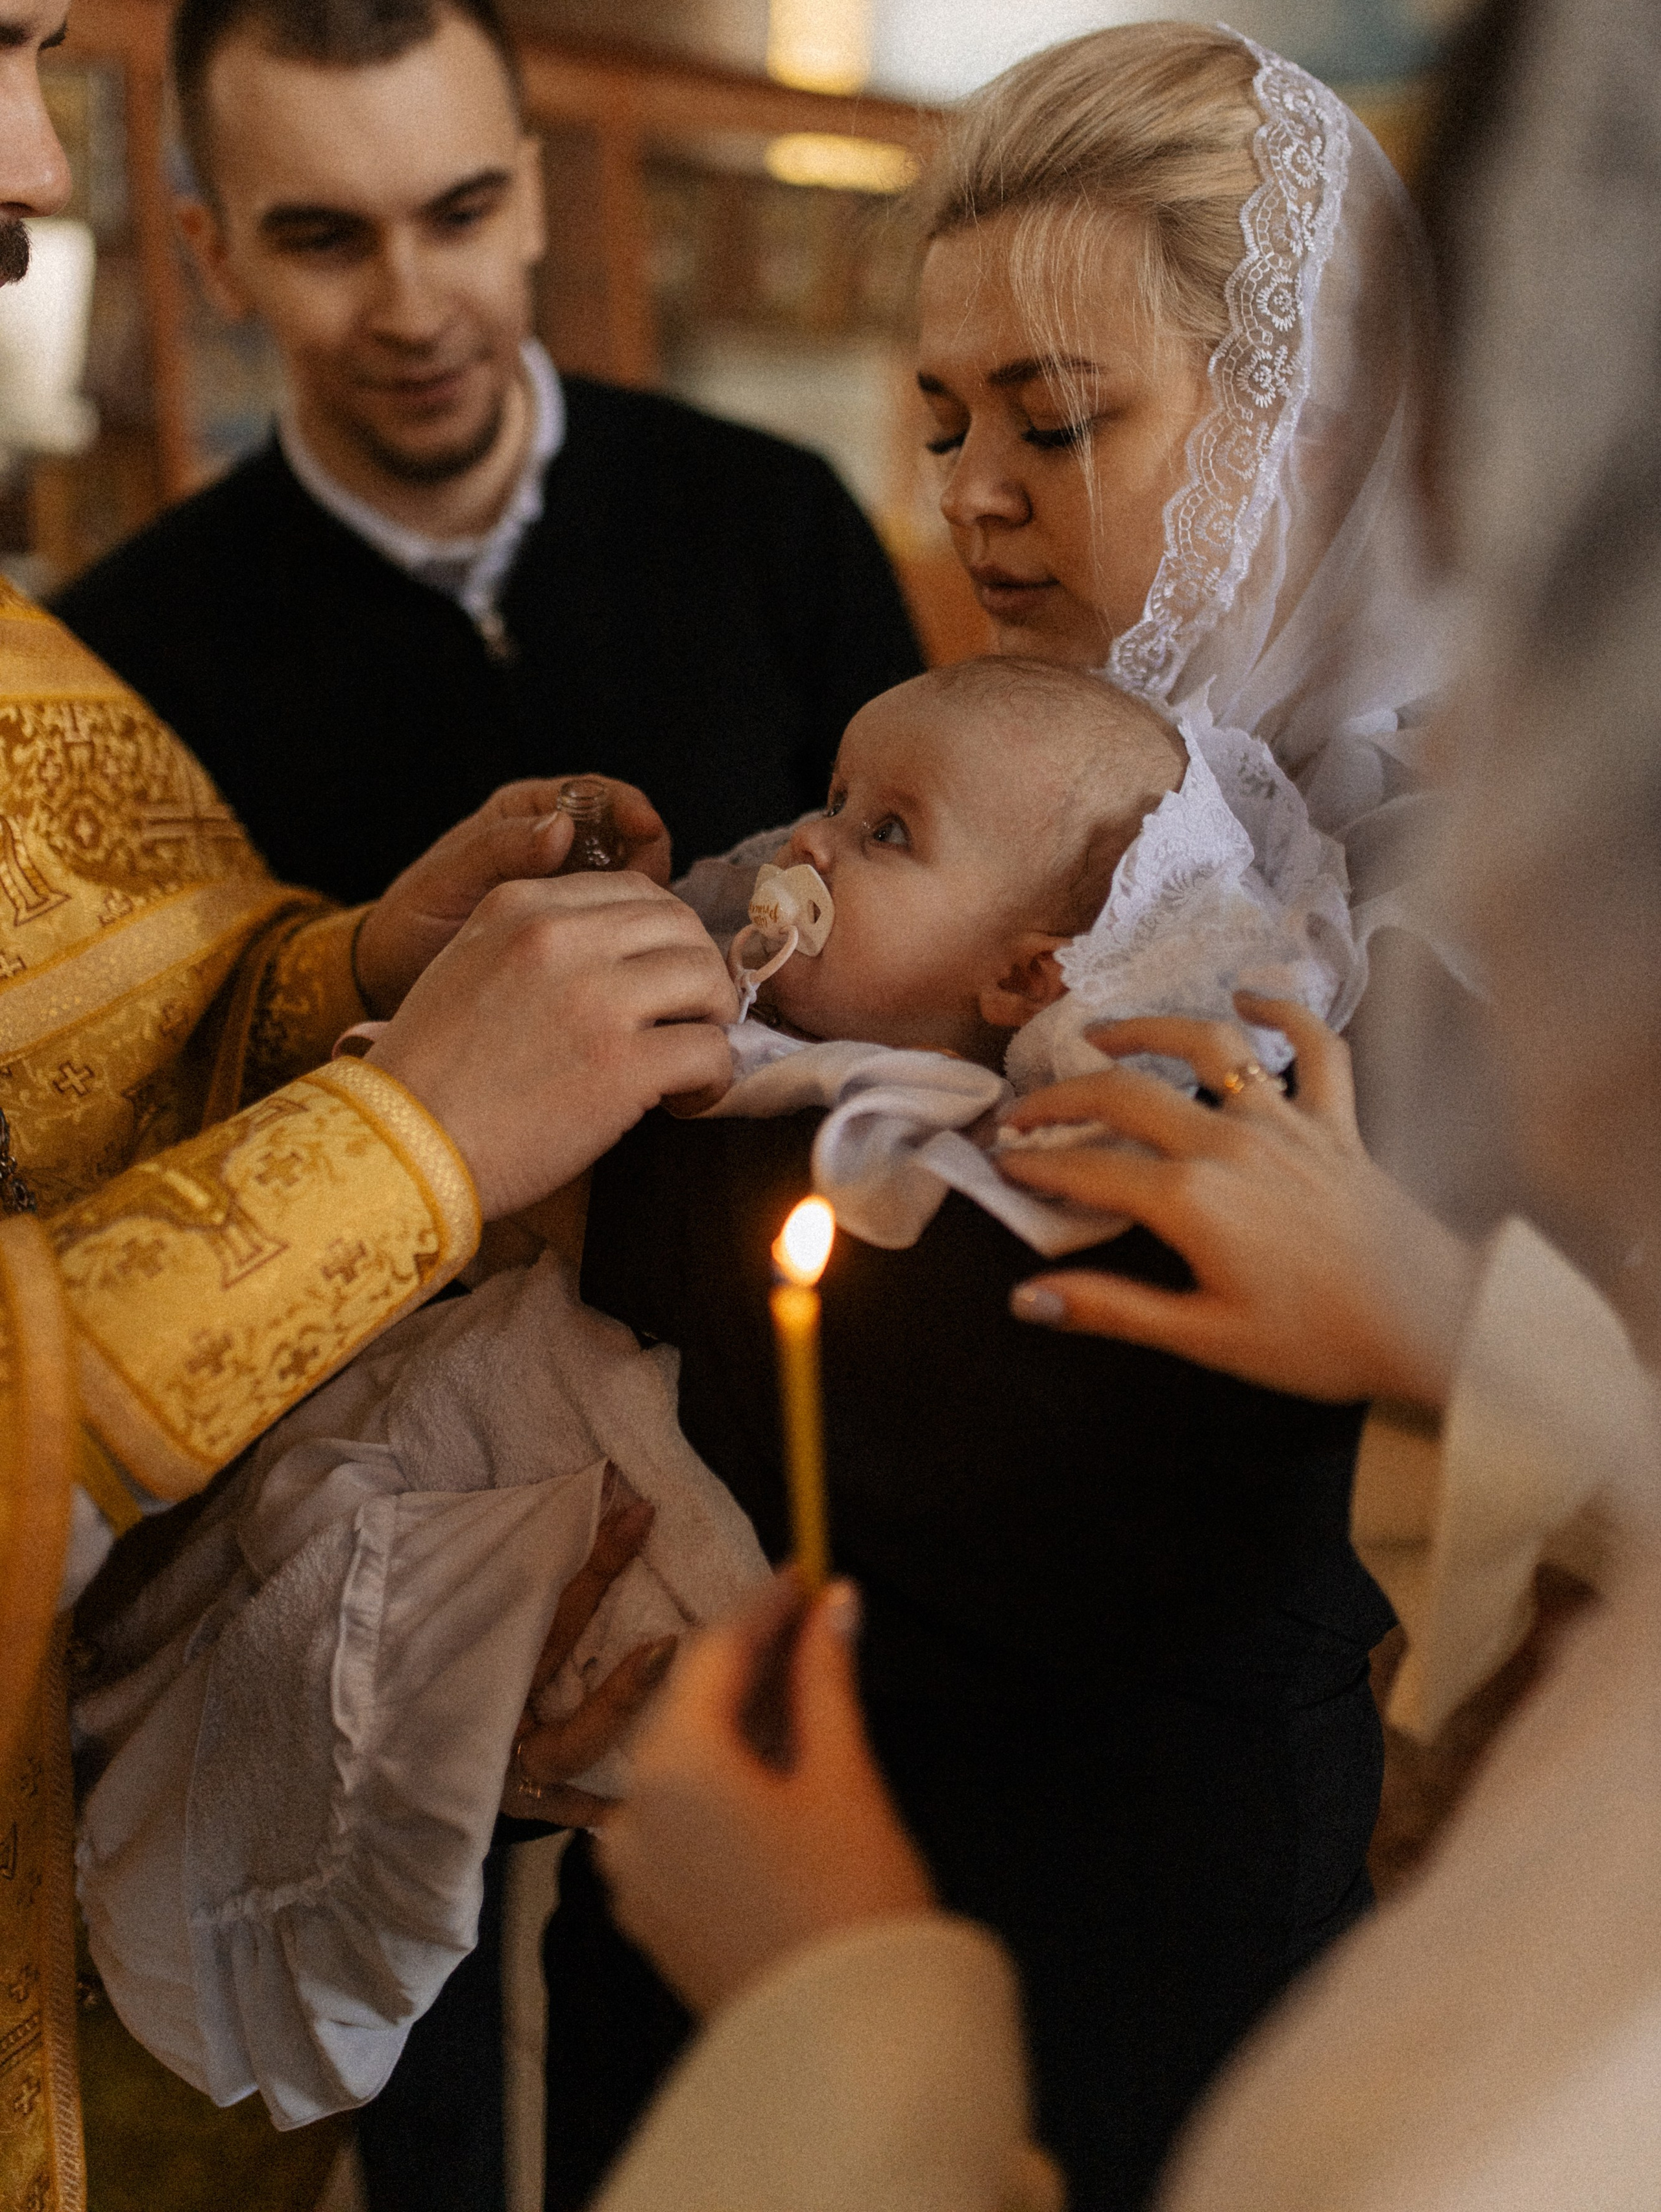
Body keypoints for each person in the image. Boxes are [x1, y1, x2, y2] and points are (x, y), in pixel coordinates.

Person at [560, 0, 1661, 2212]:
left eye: (1059, 422)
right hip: (718, 1890)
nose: (969, 495)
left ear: (1325, 426)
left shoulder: (1497, 914)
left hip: (1157, 1971)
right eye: (943, 420)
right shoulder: (940, 793)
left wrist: (1433, 1316)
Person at [72, 650, 1342, 2131]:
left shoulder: (933, 1135)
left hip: (1029, 1923)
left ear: (1022, 976)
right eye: (832, 798)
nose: (808, 841)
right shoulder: (786, 1027)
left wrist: (485, 1118)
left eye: (885, 832)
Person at [0, 0, 741, 2212]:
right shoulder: (154, 607)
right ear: (221, 254)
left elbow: (57, 1023)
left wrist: (336, 988)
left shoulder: (751, 515)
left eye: (41, 57)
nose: (29, 170)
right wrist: (410, 1135)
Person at [49, 0, 921, 903]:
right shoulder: (126, 664)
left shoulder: (780, 520)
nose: (415, 314)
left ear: (532, 201)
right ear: (216, 259)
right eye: (326, 241)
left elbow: (941, 915)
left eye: (461, 216)